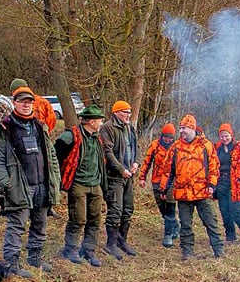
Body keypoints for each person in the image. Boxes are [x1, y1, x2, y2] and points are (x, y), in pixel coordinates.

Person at [0, 86, 62, 278]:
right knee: (17, 225)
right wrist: (6, 183)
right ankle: (11, 264)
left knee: (40, 224)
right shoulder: (5, 126)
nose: (25, 105)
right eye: (22, 101)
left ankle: (35, 258)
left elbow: (51, 154)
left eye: (29, 102)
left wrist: (55, 178)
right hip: (19, 186)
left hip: (41, 184)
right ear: (14, 103)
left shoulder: (39, 126)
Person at [166, 113, 224, 260]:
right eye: (180, 128)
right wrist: (164, 188)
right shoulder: (176, 147)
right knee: (185, 225)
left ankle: (218, 250)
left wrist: (212, 184)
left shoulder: (206, 145)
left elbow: (214, 166)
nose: (181, 131)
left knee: (211, 222)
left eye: (184, 128)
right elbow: (168, 170)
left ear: (192, 129)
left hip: (202, 192)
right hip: (183, 193)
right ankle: (187, 252)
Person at [55, 105, 107, 266]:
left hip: (95, 183)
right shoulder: (70, 136)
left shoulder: (96, 137)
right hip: (78, 184)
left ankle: (89, 250)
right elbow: (55, 157)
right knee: (78, 218)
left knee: (95, 218)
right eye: (99, 120)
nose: (101, 123)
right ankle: (71, 249)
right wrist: (60, 180)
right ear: (91, 122)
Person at [100, 100, 140, 259]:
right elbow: (108, 153)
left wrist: (137, 163)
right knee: (115, 211)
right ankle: (111, 244)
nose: (128, 115)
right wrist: (121, 169)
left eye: (129, 113)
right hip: (114, 176)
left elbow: (137, 148)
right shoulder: (107, 128)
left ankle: (122, 241)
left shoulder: (130, 128)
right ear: (116, 112)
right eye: (125, 112)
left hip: (129, 176)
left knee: (127, 210)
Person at [140, 123, 178, 247]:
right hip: (157, 180)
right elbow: (147, 162)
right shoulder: (155, 145)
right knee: (162, 208)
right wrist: (142, 177)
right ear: (162, 135)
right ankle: (175, 226)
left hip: (172, 182)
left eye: (170, 137)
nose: (168, 139)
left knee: (170, 207)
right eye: (166, 137)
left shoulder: (177, 147)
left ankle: (168, 235)